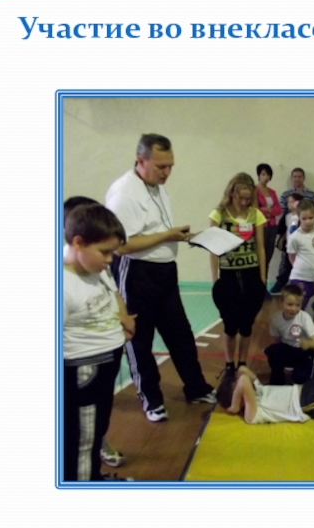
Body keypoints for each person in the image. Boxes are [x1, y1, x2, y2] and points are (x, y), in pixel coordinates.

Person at [106, 134, 216, 423]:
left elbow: (154, 229)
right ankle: (151, 400)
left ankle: (196, 388)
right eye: (160, 167)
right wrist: (168, 235)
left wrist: (184, 237)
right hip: (137, 273)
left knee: (181, 335)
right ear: (140, 161)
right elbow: (122, 246)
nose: (167, 172)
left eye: (170, 166)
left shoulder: (157, 186)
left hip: (165, 273)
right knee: (139, 340)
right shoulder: (124, 194)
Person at [63, 203, 135, 481]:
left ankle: (91, 475)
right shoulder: (63, 285)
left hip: (104, 365)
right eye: (104, 252)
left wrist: (119, 322)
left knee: (95, 430)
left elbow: (110, 297)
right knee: (82, 438)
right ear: (78, 243)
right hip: (84, 372)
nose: (110, 259)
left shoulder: (95, 268)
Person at [209, 172, 268, 375]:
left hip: (250, 274)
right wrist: (215, 279)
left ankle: (242, 363)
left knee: (246, 324)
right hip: (228, 275)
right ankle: (229, 364)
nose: (244, 202)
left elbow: (260, 247)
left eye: (248, 199)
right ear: (232, 193)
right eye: (240, 198)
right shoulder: (219, 214)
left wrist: (262, 277)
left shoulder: (255, 215)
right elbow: (212, 249)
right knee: (230, 324)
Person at [217, 356, 314, 424]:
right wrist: (235, 406)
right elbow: (243, 380)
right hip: (306, 404)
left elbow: (243, 370)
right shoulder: (251, 414)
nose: (240, 389)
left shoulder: (256, 391)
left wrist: (235, 384)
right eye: (237, 391)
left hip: (305, 388)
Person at [265, 284, 314, 384]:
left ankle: (299, 373)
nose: (293, 309)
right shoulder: (275, 318)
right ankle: (278, 380)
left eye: (297, 305)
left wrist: (308, 344)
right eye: (290, 304)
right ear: (281, 302)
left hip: (302, 350)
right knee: (272, 351)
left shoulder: (305, 317)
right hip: (288, 348)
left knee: (300, 379)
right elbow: (276, 341)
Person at [287, 198, 314, 307]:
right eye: (304, 218)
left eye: (311, 218)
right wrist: (299, 268)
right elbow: (291, 256)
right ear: (299, 217)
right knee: (298, 305)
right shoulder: (295, 237)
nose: (308, 221)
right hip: (299, 277)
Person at [270, 192, 303, 295]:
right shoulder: (287, 216)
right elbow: (286, 230)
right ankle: (280, 284)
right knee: (286, 267)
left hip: (300, 247)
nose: (289, 204)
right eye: (288, 202)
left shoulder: (302, 215)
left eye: (292, 201)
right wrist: (281, 240)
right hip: (289, 247)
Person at [255, 163, 282, 281]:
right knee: (260, 257)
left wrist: (268, 210)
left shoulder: (272, 192)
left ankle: (264, 284)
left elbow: (278, 210)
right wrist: (268, 211)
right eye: (263, 174)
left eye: (268, 175)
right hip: (261, 226)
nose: (266, 177)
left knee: (268, 257)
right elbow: (255, 209)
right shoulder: (254, 190)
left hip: (272, 227)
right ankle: (258, 283)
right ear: (259, 175)